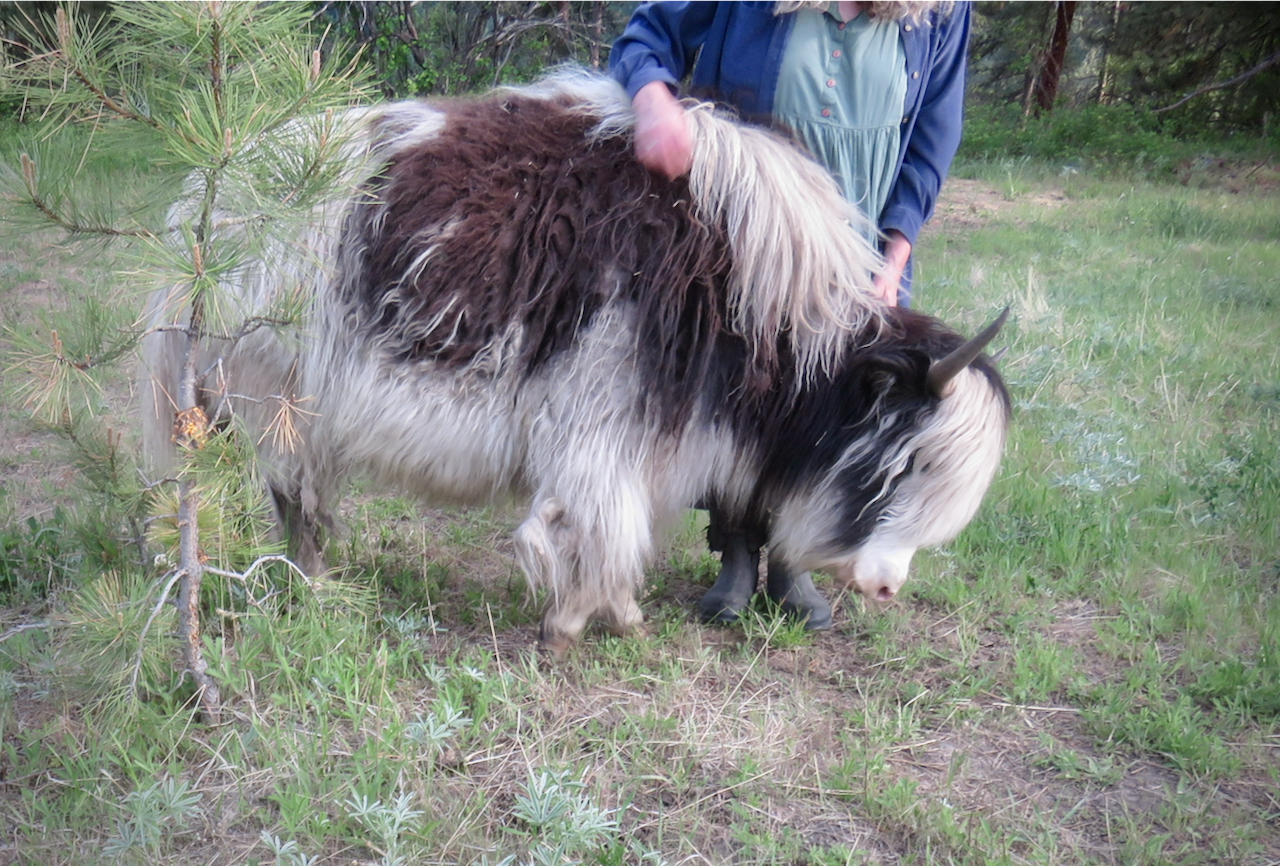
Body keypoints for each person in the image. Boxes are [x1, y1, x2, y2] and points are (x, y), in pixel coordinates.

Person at [609, 1, 972, 629]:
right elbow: (650, 35)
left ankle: (792, 554)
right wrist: (653, 103)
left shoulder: (941, 7)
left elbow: (935, 128)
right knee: (742, 381)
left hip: (861, 244)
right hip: (748, 226)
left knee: (832, 397)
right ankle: (736, 547)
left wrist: (896, 251)